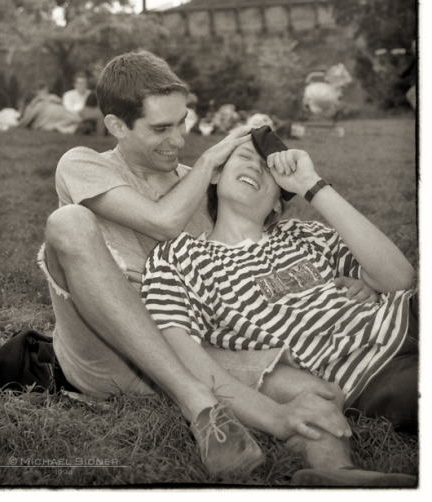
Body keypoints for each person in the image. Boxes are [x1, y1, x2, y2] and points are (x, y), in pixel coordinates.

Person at [41, 51, 355, 478]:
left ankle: (335, 479)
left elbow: (261, 250)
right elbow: (163, 221)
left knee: (316, 392)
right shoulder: (83, 164)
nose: (178, 140)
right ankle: (195, 400)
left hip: (186, 346)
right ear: (116, 126)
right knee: (69, 222)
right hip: (105, 354)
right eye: (161, 128)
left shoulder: (203, 190)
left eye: (183, 122)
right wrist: (210, 160)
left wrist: (359, 281)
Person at [141, 126, 418, 487]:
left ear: (277, 202)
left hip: (407, 313)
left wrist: (312, 185)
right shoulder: (179, 257)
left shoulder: (304, 233)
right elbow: (180, 351)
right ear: (217, 175)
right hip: (369, 369)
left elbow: (398, 278)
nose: (256, 169)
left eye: (268, 169)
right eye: (244, 158)